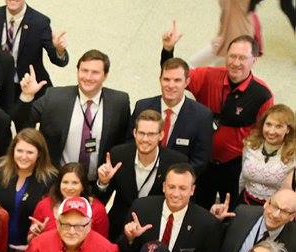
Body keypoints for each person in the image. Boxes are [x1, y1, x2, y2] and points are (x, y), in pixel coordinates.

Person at [159, 32, 274, 207]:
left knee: (230, 210)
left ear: (254, 60)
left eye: (242, 58)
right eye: (232, 56)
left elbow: (266, 134)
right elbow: (174, 78)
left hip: (234, 167)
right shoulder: (208, 76)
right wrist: (168, 50)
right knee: (196, 208)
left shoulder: (263, 95)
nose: (235, 63)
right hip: (200, 162)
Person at [13, 49, 131, 183]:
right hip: (56, 182)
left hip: (98, 182)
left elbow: (125, 141)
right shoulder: (54, 96)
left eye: (95, 72)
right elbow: (23, 125)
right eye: (84, 70)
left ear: (105, 75)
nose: (88, 77)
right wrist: (27, 96)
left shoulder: (119, 102)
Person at [118, 163, 221, 252]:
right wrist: (130, 239)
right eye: (171, 187)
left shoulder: (207, 224)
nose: (176, 194)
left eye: (183, 188)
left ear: (192, 190)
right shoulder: (141, 209)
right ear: (164, 187)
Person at [97, 111, 191, 241]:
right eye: (141, 133)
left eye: (151, 134)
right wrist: (103, 182)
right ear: (134, 133)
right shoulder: (118, 155)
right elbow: (99, 200)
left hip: (155, 231)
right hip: (119, 230)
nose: (145, 139)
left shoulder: (176, 161)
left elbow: (184, 201)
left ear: (161, 135)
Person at [132, 57, 214, 176]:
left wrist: (172, 179)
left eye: (177, 80)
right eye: (166, 79)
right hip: (142, 175)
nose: (171, 85)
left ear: (187, 82)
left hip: (177, 187)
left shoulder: (202, 116)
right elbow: (130, 144)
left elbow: (200, 160)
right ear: (160, 80)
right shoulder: (142, 106)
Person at [0, 128, 56, 252]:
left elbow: (50, 219)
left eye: (30, 152)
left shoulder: (50, 179)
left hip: (32, 248)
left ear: (40, 154)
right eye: (19, 151)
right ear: (12, 150)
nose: (23, 157)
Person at [215, 188, 296, 252]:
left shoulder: (293, 241)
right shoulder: (242, 214)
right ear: (266, 203)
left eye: (284, 211)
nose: (275, 215)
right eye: (274, 206)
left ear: (293, 216)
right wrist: (216, 221)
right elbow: (216, 242)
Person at [0, 0, 68, 101]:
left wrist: (59, 50)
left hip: (30, 87)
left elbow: (57, 60)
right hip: (0, 87)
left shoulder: (40, 22)